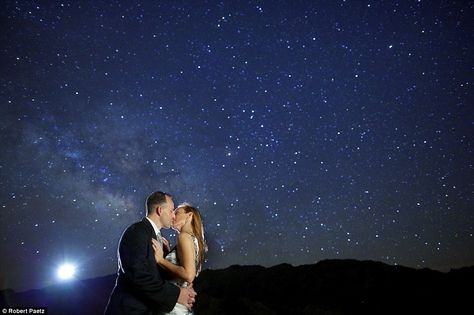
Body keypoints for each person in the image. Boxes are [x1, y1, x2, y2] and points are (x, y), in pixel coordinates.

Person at [104, 191, 196, 315]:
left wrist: (184, 288)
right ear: (159, 210)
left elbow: (156, 275)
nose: (173, 216)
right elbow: (139, 275)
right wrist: (177, 294)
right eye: (171, 211)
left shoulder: (159, 240)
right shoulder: (137, 231)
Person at [152, 203, 207, 315]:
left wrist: (160, 260)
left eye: (177, 212)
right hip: (179, 305)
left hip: (174, 307)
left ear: (189, 215)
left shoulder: (184, 236)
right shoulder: (195, 240)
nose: (172, 216)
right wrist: (168, 253)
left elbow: (188, 275)